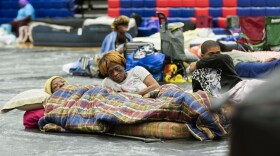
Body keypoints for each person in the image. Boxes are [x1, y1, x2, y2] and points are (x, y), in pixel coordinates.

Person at [188, 40, 264, 103]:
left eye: (218, 53)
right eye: (211, 54)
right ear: (202, 56)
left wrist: (197, 63)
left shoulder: (224, 60)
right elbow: (197, 94)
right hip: (225, 100)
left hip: (240, 90)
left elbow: (220, 58)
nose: (216, 56)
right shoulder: (198, 73)